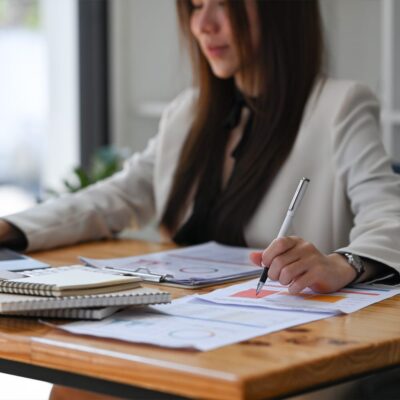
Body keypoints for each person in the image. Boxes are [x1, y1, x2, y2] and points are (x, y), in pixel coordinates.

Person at [1, 1, 400, 399]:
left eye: (224, 5)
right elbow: (114, 197)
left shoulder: (338, 108)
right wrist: (12, 227)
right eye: (195, 6)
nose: (203, 25)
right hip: (188, 327)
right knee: (77, 384)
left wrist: (342, 264)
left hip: (280, 347)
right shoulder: (188, 113)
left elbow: (390, 216)